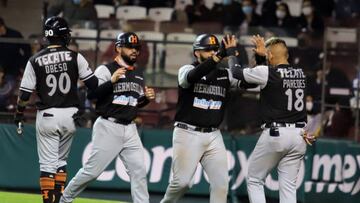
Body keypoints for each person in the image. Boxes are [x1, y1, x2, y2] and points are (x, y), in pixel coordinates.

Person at [60, 32, 155, 203]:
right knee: (92, 172)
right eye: (130, 47)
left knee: (139, 172)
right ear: (118, 48)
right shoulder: (106, 69)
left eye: (136, 48)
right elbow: (91, 95)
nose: (134, 51)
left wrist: (145, 100)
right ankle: (64, 199)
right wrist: (110, 81)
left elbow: (133, 103)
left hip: (130, 129)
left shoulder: (138, 74)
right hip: (108, 126)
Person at [13, 16, 98, 203]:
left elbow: (25, 95)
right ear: (63, 35)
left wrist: (19, 113)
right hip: (71, 116)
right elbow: (94, 85)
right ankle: (59, 200)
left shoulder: (35, 60)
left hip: (48, 116)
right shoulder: (76, 56)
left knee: (47, 165)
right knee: (61, 163)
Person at [229, 35, 316, 203]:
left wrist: (233, 53)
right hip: (299, 135)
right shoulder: (301, 74)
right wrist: (263, 56)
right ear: (287, 55)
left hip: (276, 133)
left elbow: (236, 73)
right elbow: (268, 79)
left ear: (270, 56)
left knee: (255, 180)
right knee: (289, 187)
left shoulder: (268, 72)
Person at [160, 34, 241, 203]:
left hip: (213, 135)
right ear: (197, 53)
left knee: (221, 184)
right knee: (182, 183)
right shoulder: (186, 69)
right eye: (208, 50)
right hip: (187, 132)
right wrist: (219, 55)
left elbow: (248, 81)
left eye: (215, 49)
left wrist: (233, 55)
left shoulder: (225, 74)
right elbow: (193, 77)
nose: (212, 53)